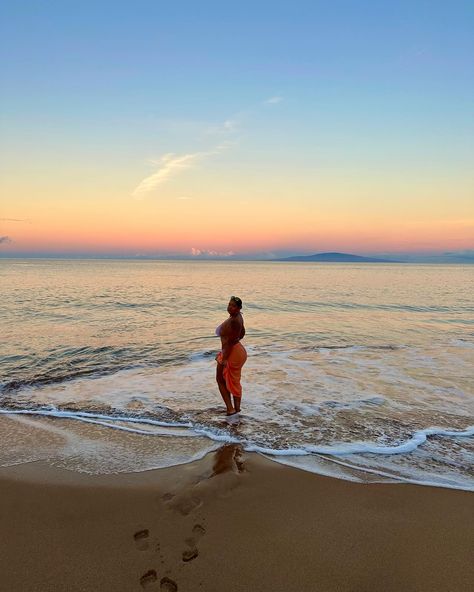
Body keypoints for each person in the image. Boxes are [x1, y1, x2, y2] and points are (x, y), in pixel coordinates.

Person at [215, 296, 247, 420]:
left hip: (232, 352)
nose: (229, 307)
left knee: (220, 379)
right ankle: (236, 409)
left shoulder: (234, 320)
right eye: (229, 304)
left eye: (233, 305)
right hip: (236, 351)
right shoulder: (237, 317)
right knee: (232, 380)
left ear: (239, 308)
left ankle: (230, 409)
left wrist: (225, 358)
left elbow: (231, 342)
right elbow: (242, 333)